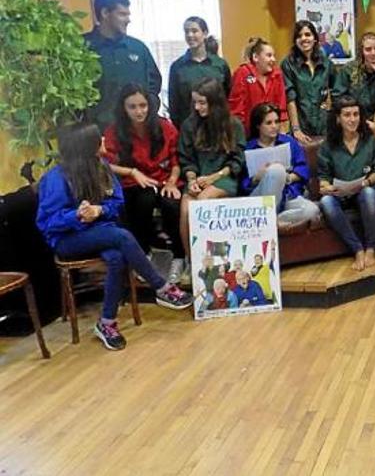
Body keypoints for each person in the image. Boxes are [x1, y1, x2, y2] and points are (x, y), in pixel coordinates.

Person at [36, 123, 192, 351]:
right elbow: (47, 222)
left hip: (101, 232)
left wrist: (99, 211)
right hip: (68, 240)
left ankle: (107, 323)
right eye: (97, 139)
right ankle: (160, 287)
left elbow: (116, 202)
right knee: (121, 236)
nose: (102, 140)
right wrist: (76, 215)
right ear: (85, 147)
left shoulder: (103, 168)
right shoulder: (56, 178)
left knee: (117, 256)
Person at [102, 83, 186, 280]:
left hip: (165, 179)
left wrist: (172, 181)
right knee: (143, 200)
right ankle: (144, 254)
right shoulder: (114, 131)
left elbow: (177, 160)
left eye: (143, 105)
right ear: (123, 108)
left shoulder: (165, 126)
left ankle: (179, 257)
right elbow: (104, 164)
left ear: (149, 105)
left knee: (172, 204)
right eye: (132, 107)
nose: (139, 111)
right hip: (135, 183)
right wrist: (131, 172)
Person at [317, 95, 375, 271]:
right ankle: (357, 249)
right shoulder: (328, 145)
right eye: (347, 115)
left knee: (369, 194)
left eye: (356, 114)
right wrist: (326, 187)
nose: (352, 119)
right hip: (340, 194)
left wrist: (367, 182)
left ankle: (370, 248)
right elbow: (323, 177)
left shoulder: (369, 140)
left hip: (365, 189)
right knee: (326, 202)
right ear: (338, 119)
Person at [178, 78, 245, 265]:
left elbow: (237, 161)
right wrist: (191, 180)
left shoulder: (233, 124)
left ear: (214, 102)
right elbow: (186, 160)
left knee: (201, 205)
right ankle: (192, 262)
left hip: (224, 177)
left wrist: (214, 177)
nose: (197, 107)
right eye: (195, 102)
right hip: (197, 178)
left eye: (202, 102)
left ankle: (213, 260)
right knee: (185, 209)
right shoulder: (189, 125)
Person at [83, 0, 161, 131]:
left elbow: (154, 85)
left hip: (136, 133)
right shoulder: (82, 48)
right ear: (105, 13)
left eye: (128, 14)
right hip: (98, 134)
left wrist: (149, 114)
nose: (128, 19)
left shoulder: (138, 48)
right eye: (122, 14)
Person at [241, 103, 321, 232]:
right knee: (276, 169)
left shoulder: (289, 142)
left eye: (277, 122)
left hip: (287, 196)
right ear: (258, 126)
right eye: (269, 123)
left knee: (312, 210)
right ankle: (268, 218)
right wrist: (257, 178)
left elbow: (303, 169)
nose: (274, 126)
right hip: (260, 201)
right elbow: (242, 185)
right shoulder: (249, 148)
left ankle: (271, 221)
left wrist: (287, 177)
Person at [168, 16, 231, 128]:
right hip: (190, 129)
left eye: (194, 31)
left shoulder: (220, 64)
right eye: (186, 31)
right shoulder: (177, 67)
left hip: (218, 127)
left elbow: (228, 97)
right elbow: (174, 104)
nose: (190, 35)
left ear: (205, 33)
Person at [281, 20, 335, 147]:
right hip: (301, 123)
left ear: (315, 38)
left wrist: (330, 101)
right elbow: (290, 98)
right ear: (295, 41)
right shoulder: (288, 64)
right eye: (299, 36)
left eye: (307, 34)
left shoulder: (327, 63)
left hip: (324, 124)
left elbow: (336, 90)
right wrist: (296, 129)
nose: (304, 38)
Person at [332, 32, 375, 134]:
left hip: (374, 117)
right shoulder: (348, 70)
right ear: (362, 52)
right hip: (352, 116)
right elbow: (337, 99)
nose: (373, 53)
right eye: (368, 49)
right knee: (372, 128)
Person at [228, 37, 288, 133]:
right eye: (269, 55)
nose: (274, 59)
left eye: (274, 55)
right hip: (248, 135)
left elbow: (281, 108)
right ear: (256, 57)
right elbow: (236, 110)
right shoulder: (242, 73)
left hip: (272, 134)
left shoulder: (277, 75)